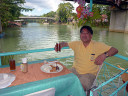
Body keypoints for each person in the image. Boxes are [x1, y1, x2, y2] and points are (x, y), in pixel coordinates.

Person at [54, 25, 118, 94]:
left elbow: (114, 50)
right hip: (75, 70)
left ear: (91, 35)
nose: (84, 35)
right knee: (60, 80)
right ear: (80, 34)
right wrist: (60, 45)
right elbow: (65, 43)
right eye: (82, 33)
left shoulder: (97, 45)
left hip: (88, 74)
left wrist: (105, 55)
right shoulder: (76, 44)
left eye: (87, 33)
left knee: (78, 88)